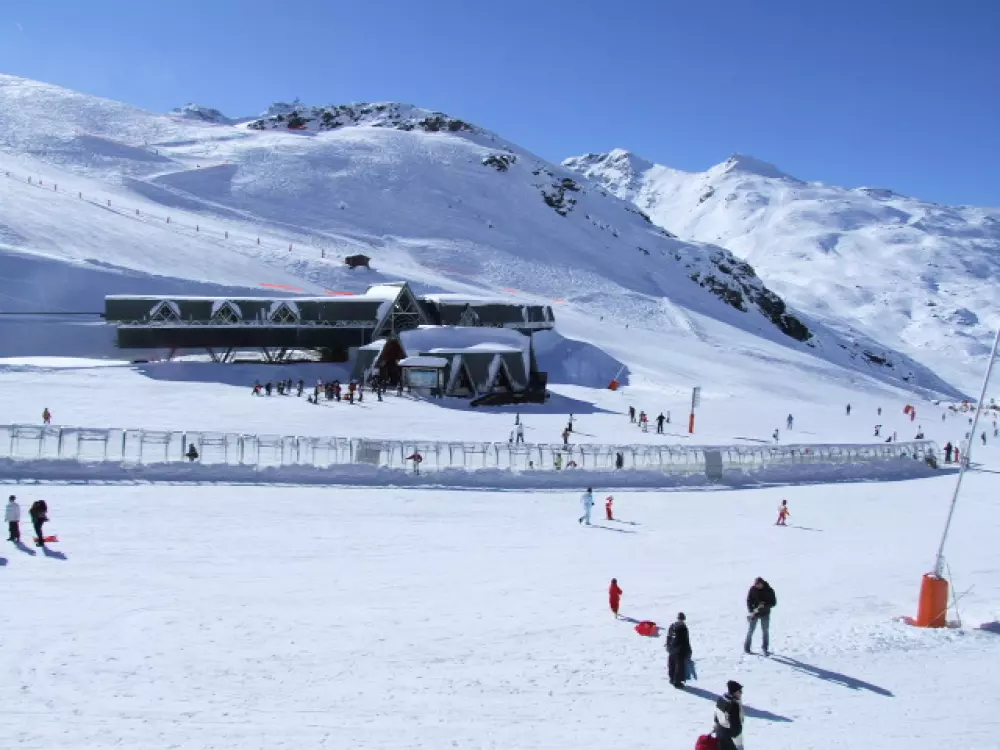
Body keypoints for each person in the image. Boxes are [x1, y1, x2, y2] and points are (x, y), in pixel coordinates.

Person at [744, 577, 776, 655]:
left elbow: (774, 603)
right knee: (750, 630)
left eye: (758, 585)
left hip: (765, 614)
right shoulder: (753, 589)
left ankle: (765, 648)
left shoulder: (769, 590)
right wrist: (751, 610)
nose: (757, 586)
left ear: (762, 583)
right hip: (754, 614)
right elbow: (749, 600)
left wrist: (765, 605)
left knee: (765, 631)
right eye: (756, 585)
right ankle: (747, 648)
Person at [714, 681, 745, 750]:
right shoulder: (733, 705)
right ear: (734, 692)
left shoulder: (721, 699)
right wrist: (737, 733)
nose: (741, 693)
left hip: (720, 731)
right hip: (731, 737)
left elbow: (716, 715)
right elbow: (735, 725)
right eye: (739, 691)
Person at [665, 612, 692, 688]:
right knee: (679, 666)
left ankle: (671, 678)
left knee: (672, 664)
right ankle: (677, 682)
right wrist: (688, 650)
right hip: (680, 649)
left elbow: (668, 636)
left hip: (672, 648)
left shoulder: (672, 625)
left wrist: (668, 645)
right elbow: (686, 640)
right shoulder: (683, 628)